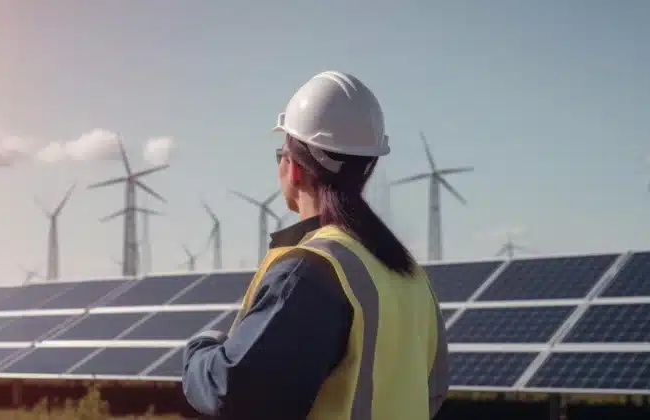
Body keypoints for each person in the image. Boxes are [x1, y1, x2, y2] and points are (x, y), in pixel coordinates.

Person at [181, 71, 450, 420]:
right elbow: (432, 391)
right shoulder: (410, 276)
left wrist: (201, 350)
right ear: (367, 168)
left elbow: (238, 392)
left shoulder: (314, 272)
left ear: (292, 168)